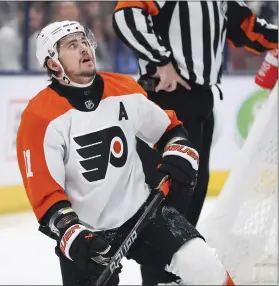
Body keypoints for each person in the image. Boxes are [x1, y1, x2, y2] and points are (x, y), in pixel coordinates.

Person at [16, 20, 236, 286]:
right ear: (53, 64)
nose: (84, 48)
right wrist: (70, 231)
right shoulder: (40, 116)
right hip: (87, 232)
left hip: (142, 212)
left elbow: (168, 129)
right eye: (72, 45)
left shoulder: (122, 88)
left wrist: (179, 148)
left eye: (84, 41)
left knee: (205, 267)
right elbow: (45, 193)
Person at [112, 1, 278, 284]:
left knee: (194, 189)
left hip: (201, 99)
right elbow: (126, 14)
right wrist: (161, 61)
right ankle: (158, 277)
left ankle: (173, 272)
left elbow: (246, 27)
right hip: (169, 97)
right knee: (168, 191)